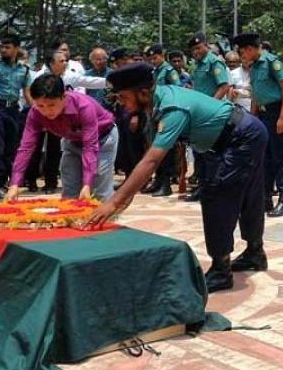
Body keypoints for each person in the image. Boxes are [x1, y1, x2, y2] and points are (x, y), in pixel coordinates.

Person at [86, 63, 268, 293]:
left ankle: (221, 271)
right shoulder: (155, 103)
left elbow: (152, 160)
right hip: (233, 135)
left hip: (242, 136)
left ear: (143, 93)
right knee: (245, 194)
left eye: (123, 96)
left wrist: (114, 201)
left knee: (217, 196)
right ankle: (255, 254)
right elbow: (149, 154)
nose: (121, 102)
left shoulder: (172, 109)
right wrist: (127, 194)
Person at [6, 74, 118, 201]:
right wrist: (14, 184)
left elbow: (90, 146)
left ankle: (105, 219)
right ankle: (72, 219)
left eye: (51, 105)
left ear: (63, 96)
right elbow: (26, 147)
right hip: (72, 141)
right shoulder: (35, 112)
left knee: (99, 189)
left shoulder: (84, 106)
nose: (47, 111)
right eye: (41, 106)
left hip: (102, 138)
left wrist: (87, 184)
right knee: (70, 189)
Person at [235, 32, 283, 217]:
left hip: (276, 113)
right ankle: (265, 198)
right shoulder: (254, 67)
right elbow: (255, 94)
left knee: (279, 158)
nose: (241, 56)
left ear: (251, 49)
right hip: (261, 115)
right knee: (263, 159)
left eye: (242, 52)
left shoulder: (272, 62)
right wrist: (252, 120)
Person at [0, 34, 33, 199]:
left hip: (13, 110)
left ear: (16, 49)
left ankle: (6, 183)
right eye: (2, 47)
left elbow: (27, 94)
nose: (3, 50)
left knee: (11, 149)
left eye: (7, 47)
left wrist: (37, 112)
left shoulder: (24, 70)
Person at [187, 32, 230, 202]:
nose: (196, 52)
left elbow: (224, 86)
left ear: (206, 45)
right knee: (200, 152)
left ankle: (213, 187)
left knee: (213, 154)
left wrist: (210, 107)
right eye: (193, 49)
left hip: (212, 114)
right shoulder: (197, 65)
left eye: (198, 47)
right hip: (199, 114)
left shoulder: (214, 62)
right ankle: (202, 186)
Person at [142, 44, 181, 196]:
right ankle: (158, 180)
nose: (153, 60)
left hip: (166, 113)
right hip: (154, 113)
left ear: (162, 55)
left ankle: (166, 184)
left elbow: (177, 89)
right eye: (151, 58)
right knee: (154, 147)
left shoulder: (169, 71)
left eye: (155, 57)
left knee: (165, 149)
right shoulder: (155, 71)